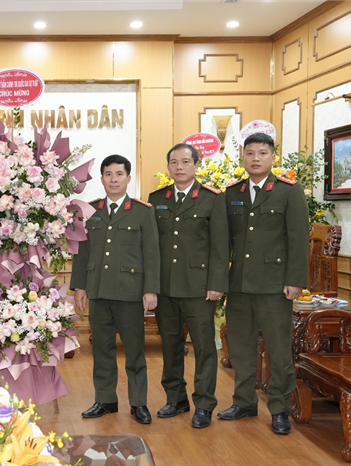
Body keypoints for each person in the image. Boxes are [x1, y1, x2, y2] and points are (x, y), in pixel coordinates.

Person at [217, 132, 309, 435]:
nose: (255, 158)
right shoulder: (232, 192)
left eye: (262, 153)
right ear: (243, 157)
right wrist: (221, 281)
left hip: (274, 286)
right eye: (250, 153)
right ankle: (244, 402)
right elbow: (224, 243)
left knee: (278, 350)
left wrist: (295, 280)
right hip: (240, 285)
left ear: (273, 157)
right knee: (241, 348)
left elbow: (298, 240)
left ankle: (280, 408)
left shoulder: (288, 191)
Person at [70, 154, 160, 424]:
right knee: (102, 350)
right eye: (108, 174)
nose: (114, 179)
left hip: (130, 292)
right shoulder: (91, 210)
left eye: (119, 174)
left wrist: (150, 289)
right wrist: (80, 286)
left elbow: (152, 253)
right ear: (102, 178)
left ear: (128, 178)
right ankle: (105, 400)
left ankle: (138, 403)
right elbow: (82, 251)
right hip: (98, 290)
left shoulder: (143, 211)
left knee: (134, 351)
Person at [148, 143, 229, 429]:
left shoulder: (211, 199)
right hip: (166, 286)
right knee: (170, 345)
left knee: (204, 348)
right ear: (168, 167)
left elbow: (220, 246)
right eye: (174, 162)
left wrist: (216, 283)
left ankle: (204, 404)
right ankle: (176, 398)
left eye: (185, 161)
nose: (179, 167)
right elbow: (152, 246)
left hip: (199, 287)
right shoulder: (157, 198)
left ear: (196, 165)